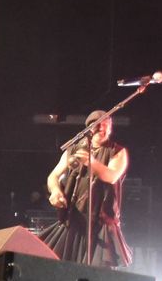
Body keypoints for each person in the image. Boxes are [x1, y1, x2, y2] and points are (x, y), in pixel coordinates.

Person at [43, 110, 132, 268]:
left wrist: (91, 162)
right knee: (60, 269)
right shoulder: (74, 149)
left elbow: (111, 176)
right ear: (89, 128)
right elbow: (53, 177)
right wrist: (56, 191)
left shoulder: (117, 151)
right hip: (73, 220)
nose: (103, 129)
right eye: (98, 125)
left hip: (101, 224)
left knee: (96, 276)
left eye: (107, 126)